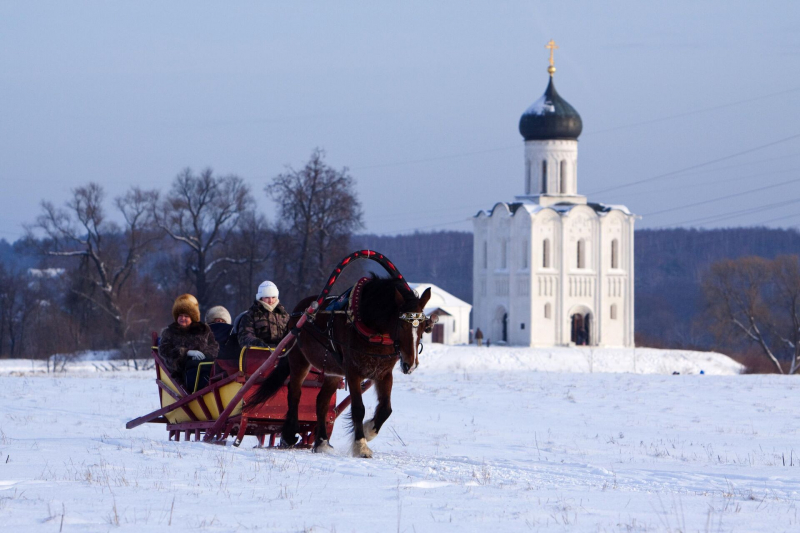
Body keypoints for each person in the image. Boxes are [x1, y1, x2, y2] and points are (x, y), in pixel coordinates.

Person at [159, 294, 219, 391]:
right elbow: (164, 350)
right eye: (180, 316)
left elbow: (214, 346)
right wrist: (186, 352)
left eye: (186, 316)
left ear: (192, 317)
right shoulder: (169, 331)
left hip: (204, 367)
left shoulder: (203, 329)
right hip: (180, 371)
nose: (183, 318)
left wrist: (204, 355)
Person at [238, 280, 289, 348]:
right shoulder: (251, 315)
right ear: (261, 297)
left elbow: (291, 334)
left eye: (273, 297)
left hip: (282, 353)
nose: (270, 301)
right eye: (267, 297)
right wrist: (258, 344)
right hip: (258, 353)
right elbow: (245, 335)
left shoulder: (284, 315)